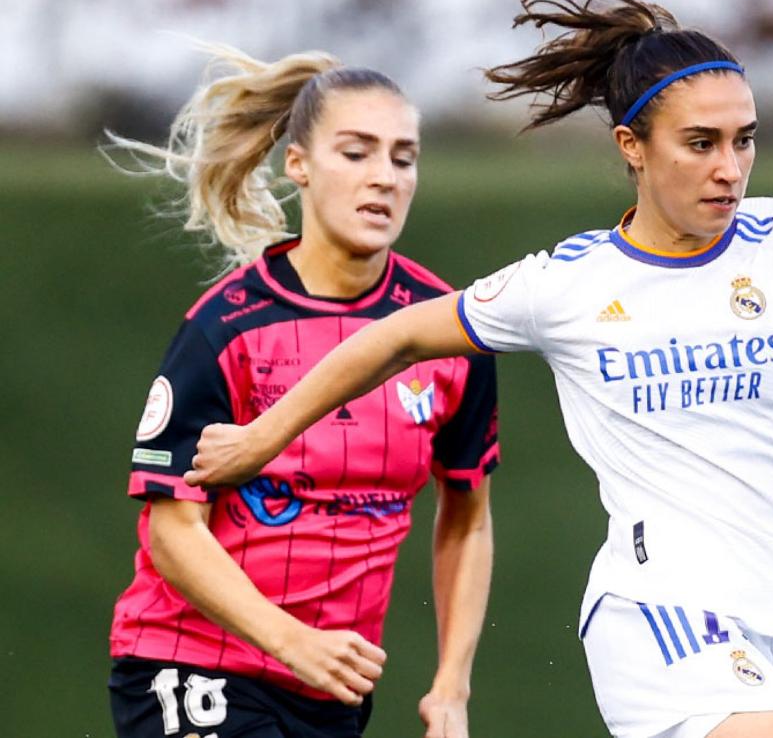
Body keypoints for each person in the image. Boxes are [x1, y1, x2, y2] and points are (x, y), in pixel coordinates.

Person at [184, 0, 773, 738]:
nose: (730, 167)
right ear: (632, 148)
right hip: (657, 616)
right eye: (702, 143)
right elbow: (396, 335)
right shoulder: (569, 285)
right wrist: (263, 437)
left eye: (745, 139)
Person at [107, 44, 499, 738]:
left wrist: (452, 688)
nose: (383, 177)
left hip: (330, 689)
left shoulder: (447, 330)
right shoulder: (223, 328)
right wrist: (291, 641)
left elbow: (466, 516)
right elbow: (170, 530)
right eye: (356, 153)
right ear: (299, 165)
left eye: (402, 158)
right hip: (192, 665)